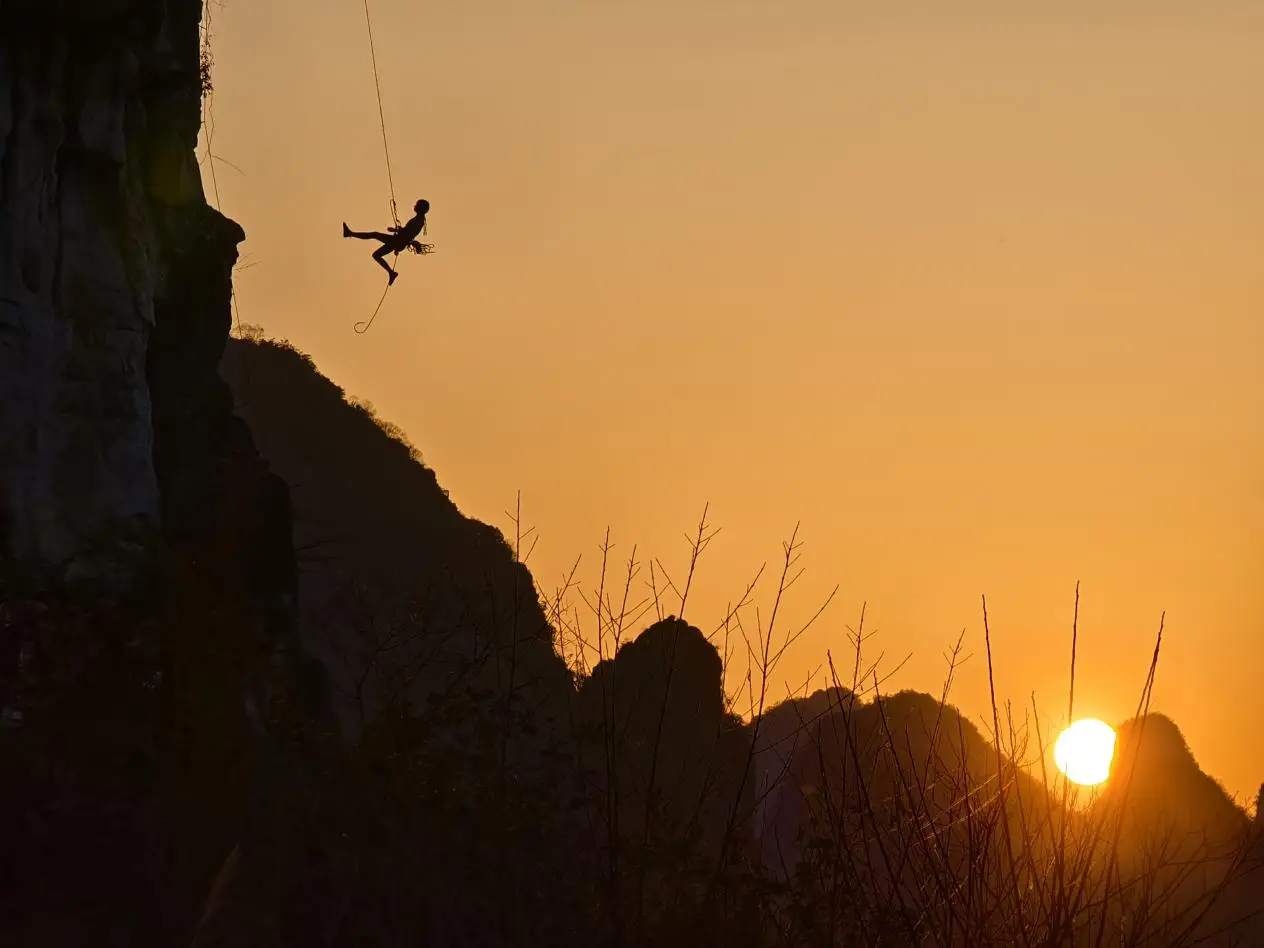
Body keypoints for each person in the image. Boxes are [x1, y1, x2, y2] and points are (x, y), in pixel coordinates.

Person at [343, 199, 430, 284]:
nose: (415, 205)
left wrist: (395, 230)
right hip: (399, 242)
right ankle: (391, 273)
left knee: (374, 234)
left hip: (398, 241)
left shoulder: (419, 220)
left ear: (421, 208)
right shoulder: (419, 219)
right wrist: (398, 233)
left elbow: (408, 233)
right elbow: (408, 232)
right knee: (376, 255)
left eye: (417, 204)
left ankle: (350, 234)